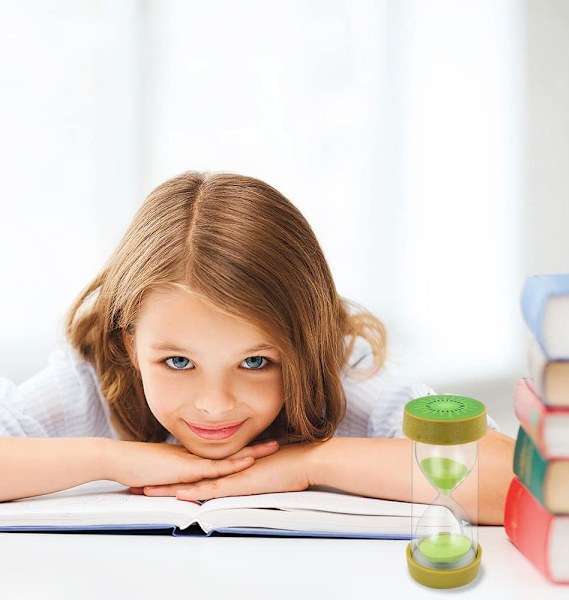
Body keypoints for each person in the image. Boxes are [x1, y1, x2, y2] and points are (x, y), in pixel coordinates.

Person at [0, 171, 515, 523]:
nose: (215, 404)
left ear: (305, 345)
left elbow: (510, 477)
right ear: (130, 343)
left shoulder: (343, 376)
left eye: (256, 362)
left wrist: (311, 463)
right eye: (177, 361)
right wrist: (110, 458)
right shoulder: (91, 383)